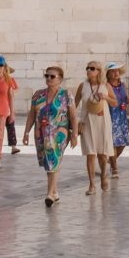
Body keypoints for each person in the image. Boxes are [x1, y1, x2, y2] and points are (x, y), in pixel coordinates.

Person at [26, 66, 76, 207]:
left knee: (54, 160)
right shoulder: (38, 95)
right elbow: (31, 114)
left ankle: (49, 194)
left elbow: (73, 116)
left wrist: (75, 135)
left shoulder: (66, 95)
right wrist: (26, 132)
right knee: (49, 163)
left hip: (59, 133)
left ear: (60, 79)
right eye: (46, 76)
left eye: (52, 76)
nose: (48, 78)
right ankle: (54, 192)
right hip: (41, 134)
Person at [75, 62, 115, 195]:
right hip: (87, 122)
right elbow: (73, 105)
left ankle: (103, 175)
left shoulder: (106, 86)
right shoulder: (83, 86)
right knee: (90, 154)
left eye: (92, 68)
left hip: (102, 121)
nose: (88, 70)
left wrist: (105, 97)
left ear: (99, 71)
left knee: (102, 154)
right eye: (87, 68)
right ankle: (92, 184)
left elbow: (115, 102)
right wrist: (73, 123)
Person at [105, 62, 129, 178]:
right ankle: (114, 168)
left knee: (123, 143)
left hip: (122, 117)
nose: (116, 73)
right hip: (111, 116)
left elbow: (125, 100)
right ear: (108, 74)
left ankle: (111, 160)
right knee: (113, 144)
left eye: (117, 71)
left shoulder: (123, 85)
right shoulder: (106, 86)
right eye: (113, 71)